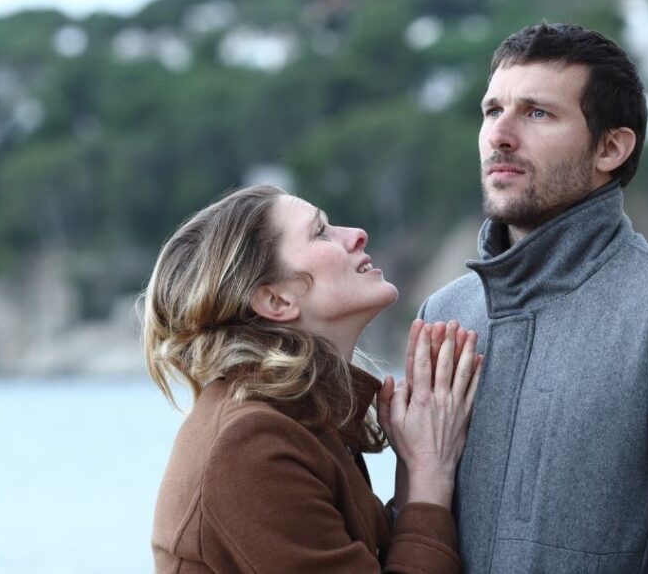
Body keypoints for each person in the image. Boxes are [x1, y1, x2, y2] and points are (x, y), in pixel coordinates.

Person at [419, 22, 648, 572]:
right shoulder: (447, 314)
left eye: (537, 113)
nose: (500, 134)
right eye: (491, 110)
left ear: (611, 147)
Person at [142, 184, 483, 573]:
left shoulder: (301, 420)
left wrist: (410, 488)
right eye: (320, 231)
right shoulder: (251, 447)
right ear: (277, 301)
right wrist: (428, 478)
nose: (356, 235)